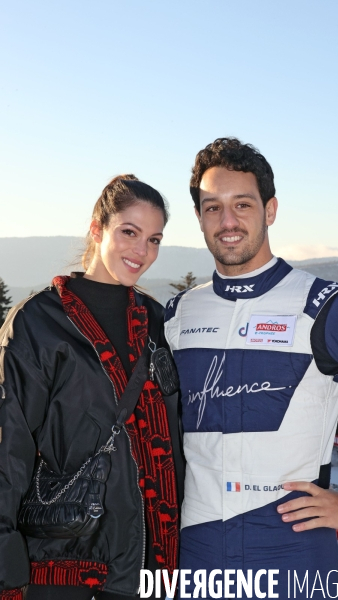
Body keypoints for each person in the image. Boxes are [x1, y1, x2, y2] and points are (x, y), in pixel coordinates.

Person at [164, 138, 338, 598]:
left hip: (291, 553)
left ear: (270, 210)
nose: (227, 221)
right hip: (194, 554)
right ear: (198, 217)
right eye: (212, 208)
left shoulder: (327, 305)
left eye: (243, 205)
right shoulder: (177, 315)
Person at [0, 175, 184, 600]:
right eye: (129, 232)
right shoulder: (39, 322)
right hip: (65, 567)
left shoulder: (157, 322)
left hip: (152, 569)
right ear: (97, 228)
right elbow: (9, 444)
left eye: (154, 239)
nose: (142, 251)